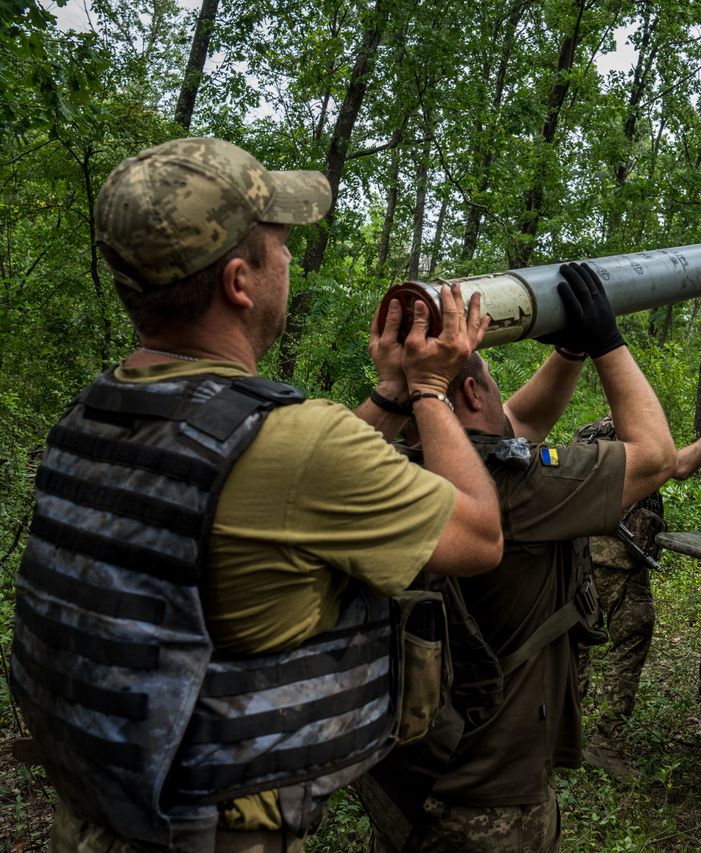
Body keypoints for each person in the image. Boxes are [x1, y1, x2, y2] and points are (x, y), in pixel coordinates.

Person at [8, 137, 503, 852]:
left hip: (97, 817)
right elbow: (481, 535)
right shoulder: (304, 445)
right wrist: (430, 390)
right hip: (211, 833)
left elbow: (255, 478)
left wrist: (389, 395)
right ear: (241, 281)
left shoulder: (92, 414)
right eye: (282, 245)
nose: (290, 260)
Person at [363, 262, 676, 851]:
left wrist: (570, 350)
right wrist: (608, 343)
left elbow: (521, 423)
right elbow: (656, 456)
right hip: (492, 802)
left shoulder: (388, 467)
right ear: (477, 391)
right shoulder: (515, 488)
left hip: (409, 778)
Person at [574, 401, 701, 781]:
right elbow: (680, 467)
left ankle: (559, 737)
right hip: (619, 562)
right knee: (630, 643)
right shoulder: (637, 439)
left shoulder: (587, 434)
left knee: (574, 644)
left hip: (577, 559)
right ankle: (606, 745)